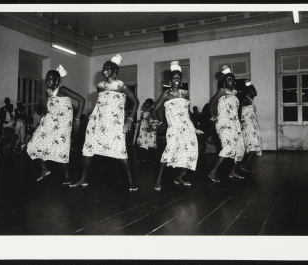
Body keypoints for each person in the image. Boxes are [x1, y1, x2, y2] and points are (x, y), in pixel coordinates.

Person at [70, 54, 139, 190]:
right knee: (88, 147)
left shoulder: (120, 85)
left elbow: (136, 101)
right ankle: (83, 178)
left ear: (115, 71)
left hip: (114, 123)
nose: (105, 69)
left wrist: (129, 119)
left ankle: (130, 180)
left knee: (120, 150)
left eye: (109, 68)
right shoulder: (100, 85)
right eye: (104, 67)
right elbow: (100, 103)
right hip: (98, 122)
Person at [27, 65, 85, 184]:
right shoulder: (48, 92)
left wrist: (77, 119)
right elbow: (51, 106)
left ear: (57, 80)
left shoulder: (62, 90)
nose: (48, 81)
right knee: (33, 144)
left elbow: (81, 100)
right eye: (47, 78)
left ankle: (67, 176)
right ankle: (44, 169)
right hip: (49, 122)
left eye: (51, 78)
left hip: (63, 123)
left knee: (61, 148)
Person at [150, 61, 203, 191]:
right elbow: (154, 110)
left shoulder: (185, 93)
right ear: (170, 80)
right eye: (174, 78)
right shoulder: (166, 94)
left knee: (191, 151)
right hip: (174, 128)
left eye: (179, 78)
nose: (177, 80)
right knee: (169, 151)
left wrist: (194, 127)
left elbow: (188, 112)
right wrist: (156, 120)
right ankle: (158, 180)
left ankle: (179, 177)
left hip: (187, 127)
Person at [207, 65, 245, 182]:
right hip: (224, 123)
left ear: (234, 81)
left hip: (235, 124)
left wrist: (239, 122)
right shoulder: (222, 91)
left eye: (231, 79)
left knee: (240, 148)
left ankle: (232, 171)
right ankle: (212, 172)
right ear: (224, 82)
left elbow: (236, 109)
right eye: (227, 79)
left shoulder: (235, 92)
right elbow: (211, 103)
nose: (230, 80)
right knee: (227, 147)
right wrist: (213, 115)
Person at [239, 79, 262, 172]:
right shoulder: (245, 100)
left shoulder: (250, 100)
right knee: (254, 145)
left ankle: (244, 164)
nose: (255, 91)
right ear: (249, 91)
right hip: (248, 125)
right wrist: (241, 121)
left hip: (253, 125)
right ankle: (244, 164)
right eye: (253, 90)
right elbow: (239, 110)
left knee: (253, 145)